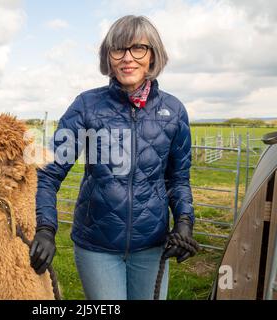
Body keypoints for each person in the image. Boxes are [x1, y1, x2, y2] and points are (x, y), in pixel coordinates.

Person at [29, 15, 196, 300]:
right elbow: (48, 174)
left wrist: (184, 222)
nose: (127, 58)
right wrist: (45, 227)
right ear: (108, 57)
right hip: (97, 247)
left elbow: (178, 179)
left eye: (138, 48)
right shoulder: (86, 106)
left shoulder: (174, 111)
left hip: (152, 246)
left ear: (153, 55)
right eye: (118, 49)